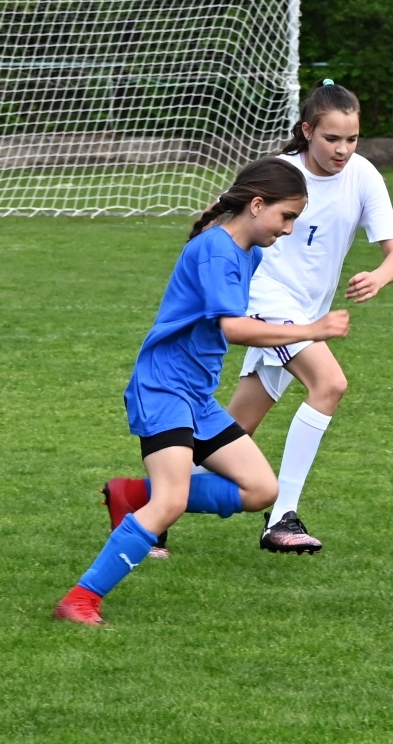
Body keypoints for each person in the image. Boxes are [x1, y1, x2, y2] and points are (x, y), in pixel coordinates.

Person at [106, 82, 393, 558]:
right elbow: (228, 222)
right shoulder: (280, 175)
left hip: (303, 311)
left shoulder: (363, 175)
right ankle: (282, 516)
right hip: (267, 299)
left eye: (352, 139)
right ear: (307, 131)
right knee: (329, 384)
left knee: (236, 432)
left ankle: (143, 501)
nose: (343, 149)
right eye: (331, 138)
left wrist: (379, 276)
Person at [55, 158, 349, 627]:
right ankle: (81, 599)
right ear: (257, 205)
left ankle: (132, 494)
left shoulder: (248, 254)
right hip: (163, 388)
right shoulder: (216, 250)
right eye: (286, 216)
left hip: (196, 396)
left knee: (261, 489)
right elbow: (233, 327)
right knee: (170, 502)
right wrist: (311, 330)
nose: (289, 229)